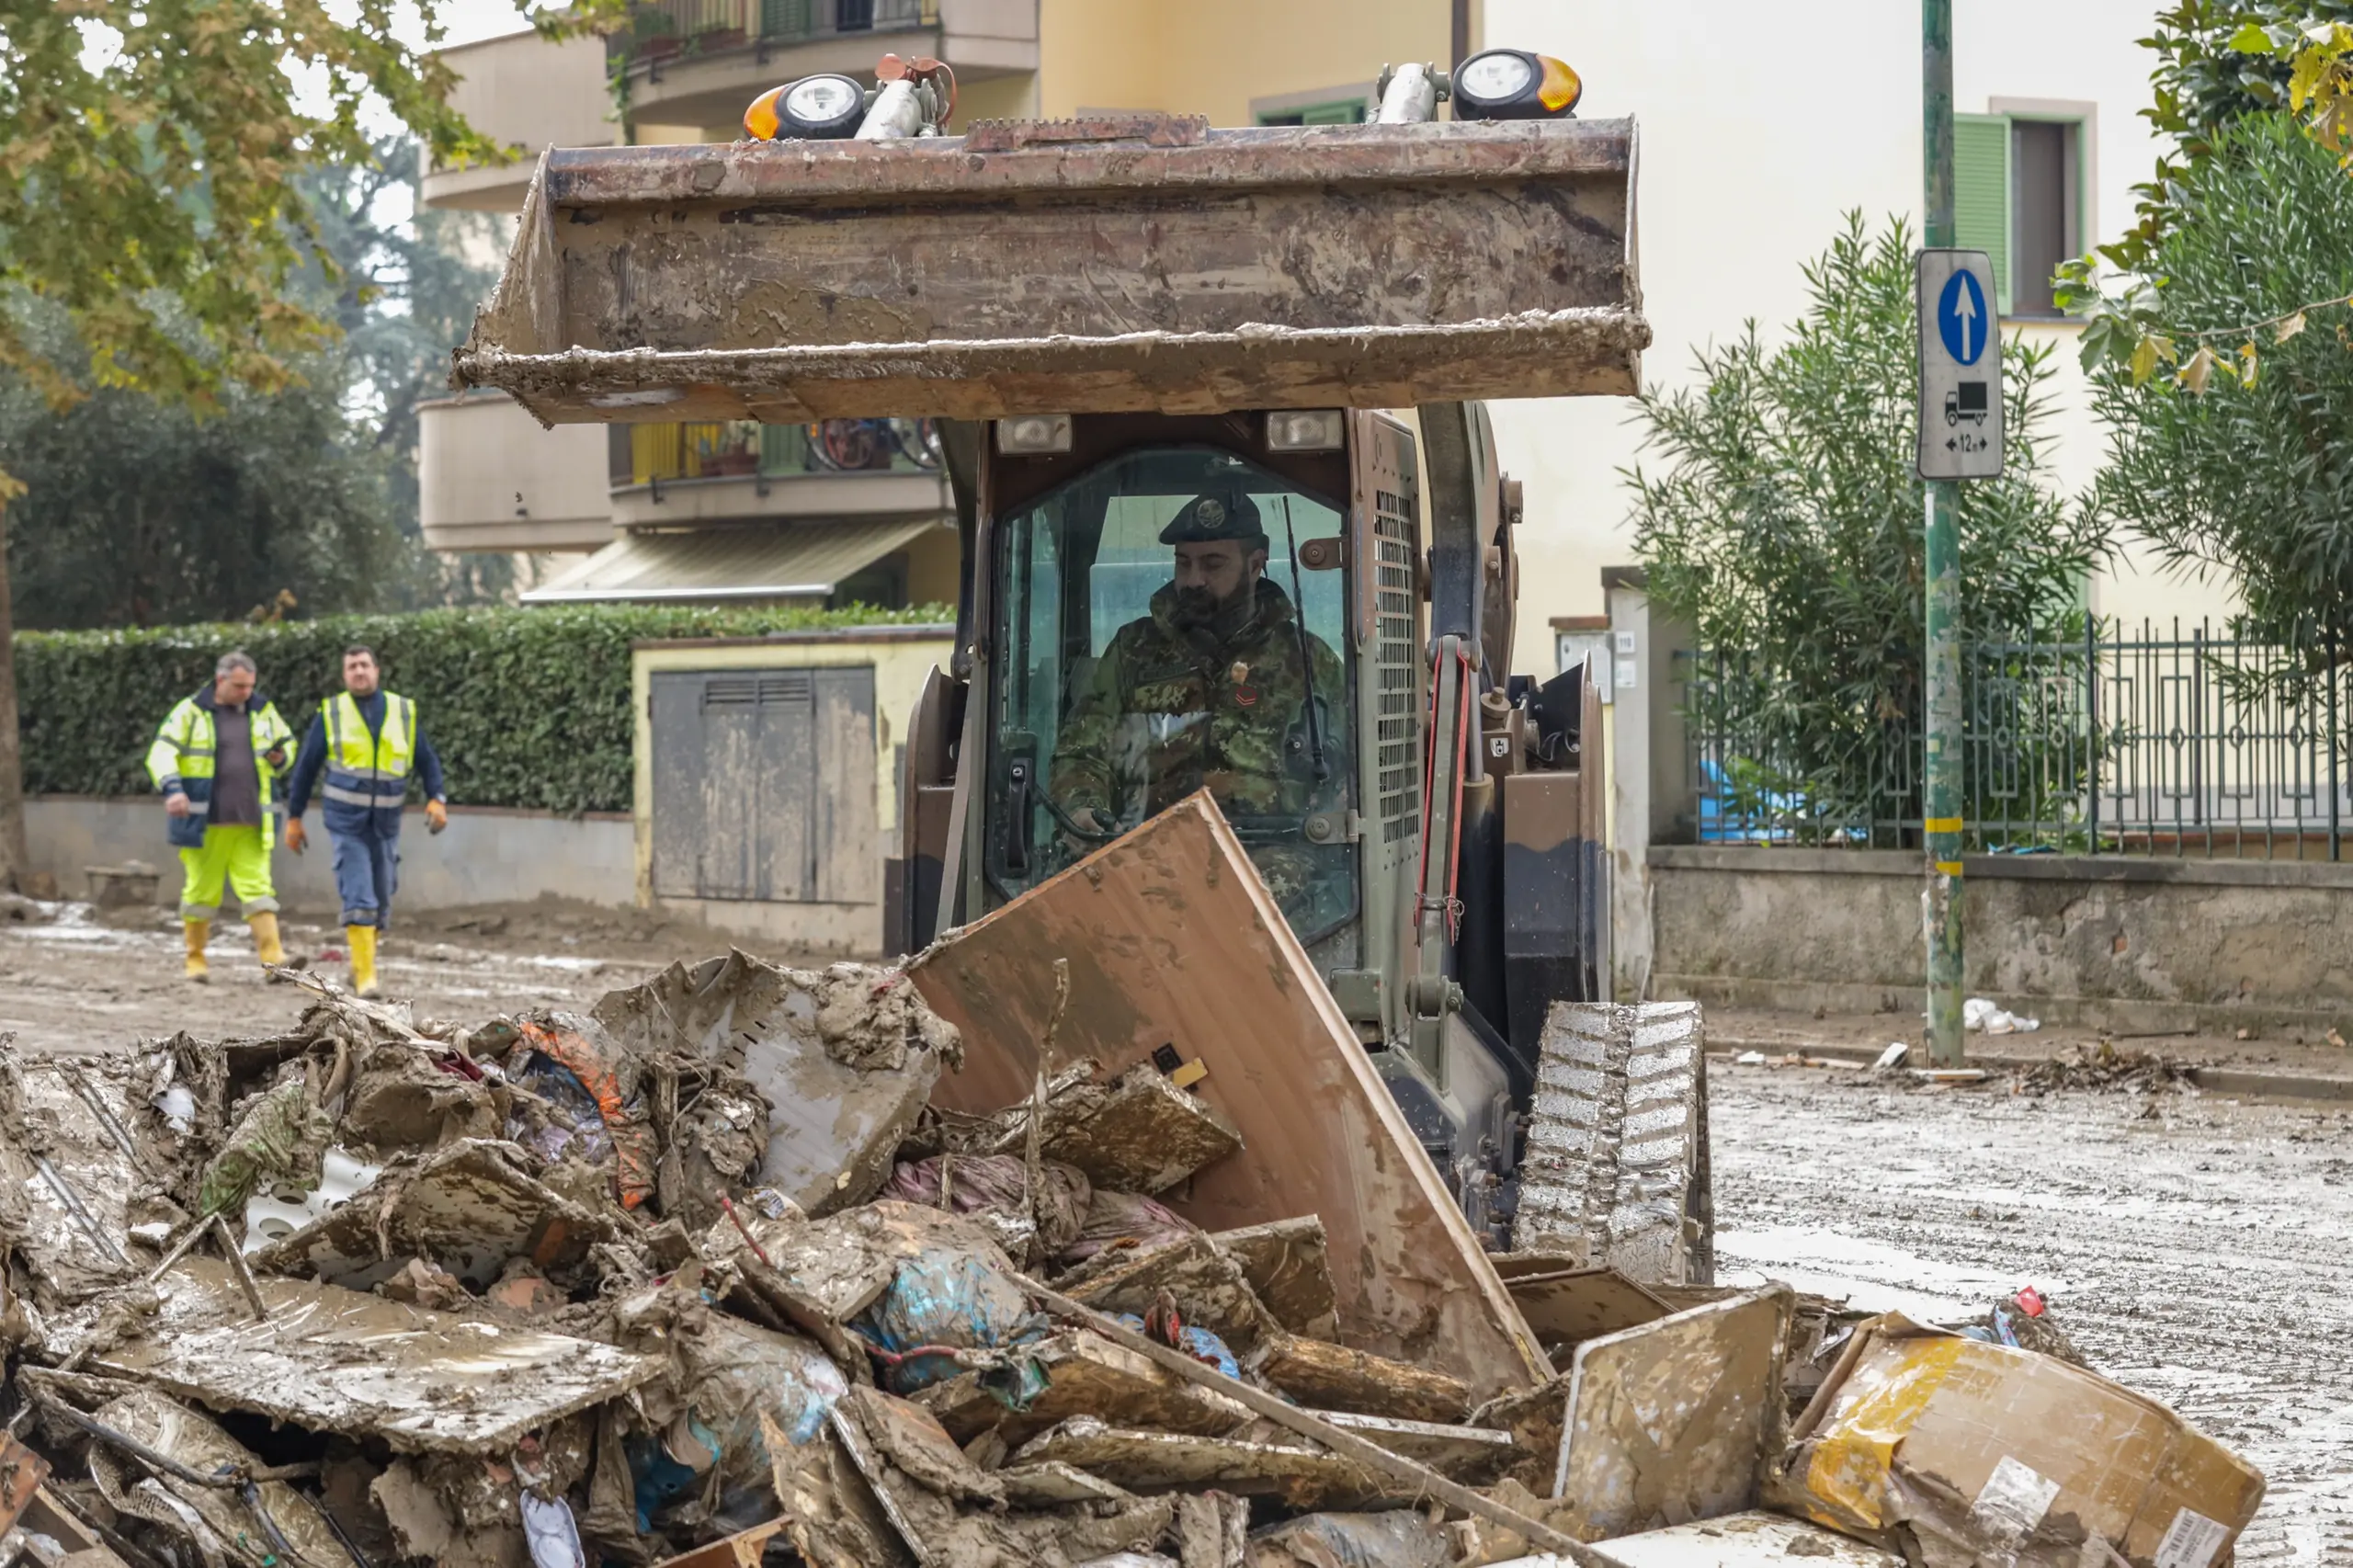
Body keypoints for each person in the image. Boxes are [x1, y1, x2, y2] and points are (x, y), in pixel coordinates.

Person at [1049, 490, 1347, 914]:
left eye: (1213, 563)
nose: (1193, 580)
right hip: (1143, 852)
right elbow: (1082, 751)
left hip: (1273, 864)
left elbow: (1351, 771)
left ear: (1256, 563)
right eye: (1183, 562)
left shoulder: (1307, 661)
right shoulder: (1134, 650)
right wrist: (1083, 808)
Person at [284, 645, 448, 997]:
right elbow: (306, 768)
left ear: (377, 669)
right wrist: (294, 818)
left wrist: (437, 798)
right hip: (346, 821)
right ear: (344, 675)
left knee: (383, 897)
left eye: (364, 665)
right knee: (360, 895)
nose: (359, 672)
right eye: (352, 667)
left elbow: (427, 760)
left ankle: (360, 963)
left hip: (386, 823)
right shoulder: (331, 713)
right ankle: (366, 978)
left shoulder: (402, 711)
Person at [144, 651, 299, 982]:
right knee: (200, 894)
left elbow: (288, 746)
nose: (246, 693)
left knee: (259, 890)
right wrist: (172, 788)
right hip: (204, 823)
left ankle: (274, 961)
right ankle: (195, 960)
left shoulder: (263, 709)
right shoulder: (190, 712)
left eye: (250, 686)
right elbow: (161, 752)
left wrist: (281, 756)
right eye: (240, 686)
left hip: (252, 822)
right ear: (220, 680)